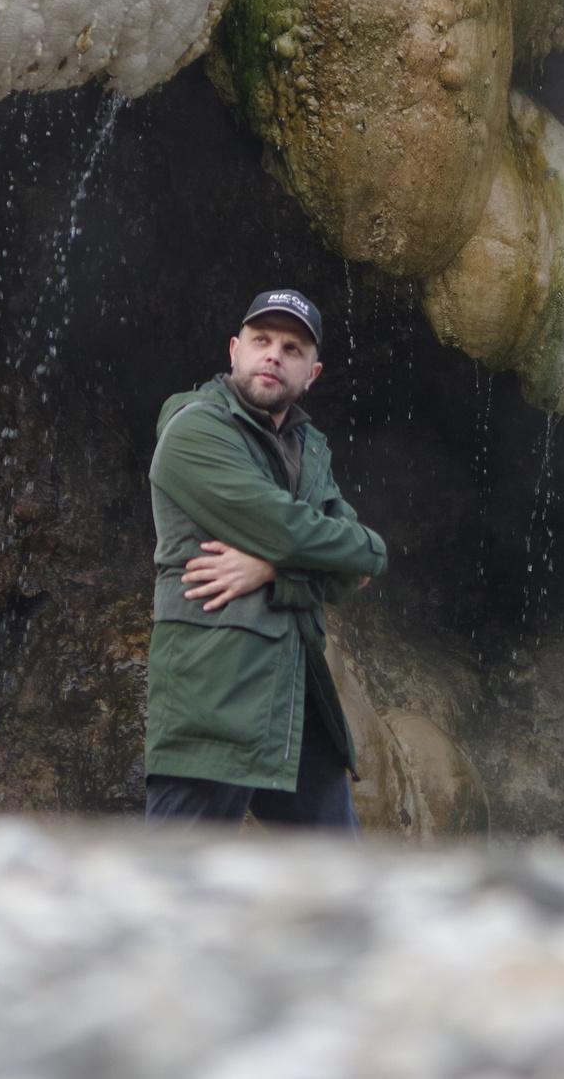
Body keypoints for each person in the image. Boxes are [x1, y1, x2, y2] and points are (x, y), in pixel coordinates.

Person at [143, 288, 389, 827]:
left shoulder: (310, 451)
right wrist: (371, 549)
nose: (274, 354)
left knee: (338, 893)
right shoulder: (196, 428)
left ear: (313, 373)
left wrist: (274, 570)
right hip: (215, 699)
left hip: (296, 705)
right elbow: (289, 529)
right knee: (169, 886)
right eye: (261, 340)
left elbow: (349, 574)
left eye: (292, 348)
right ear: (235, 350)